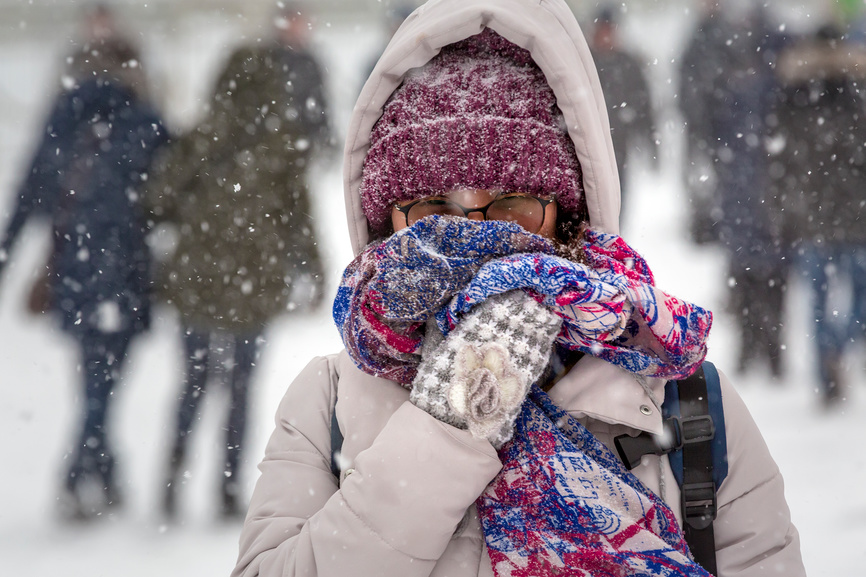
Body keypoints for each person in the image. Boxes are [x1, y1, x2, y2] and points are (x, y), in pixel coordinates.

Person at [232, 1, 805, 575]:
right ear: (386, 225)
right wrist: (448, 426)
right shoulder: (329, 402)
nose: (477, 240)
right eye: (434, 210)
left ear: (569, 219)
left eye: (513, 208)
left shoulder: (683, 400)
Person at [145, 2, 333, 520]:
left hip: (198, 280)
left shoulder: (203, 137)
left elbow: (158, 198)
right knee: (242, 389)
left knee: (193, 383)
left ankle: (170, 480)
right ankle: (226, 489)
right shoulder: (281, 146)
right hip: (255, 278)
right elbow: (302, 218)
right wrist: (314, 272)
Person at [0, 38, 166, 519]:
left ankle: (104, 473)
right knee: (105, 380)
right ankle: (78, 477)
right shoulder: (144, 121)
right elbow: (175, 191)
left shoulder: (65, 119)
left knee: (95, 379)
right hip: (127, 272)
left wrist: (6, 255)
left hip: (75, 270)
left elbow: (31, 192)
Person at [769, 23, 866, 408]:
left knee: (817, 299)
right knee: (858, 295)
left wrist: (780, 209)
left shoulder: (792, 94)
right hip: (856, 215)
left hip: (811, 216)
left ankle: (826, 371)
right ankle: (838, 347)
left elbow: (779, 161)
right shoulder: (855, 93)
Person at [588, 6, 658, 218]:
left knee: (617, 200)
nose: (606, 36)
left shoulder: (628, 64)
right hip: (589, 146)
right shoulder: (586, 60)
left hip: (619, 145)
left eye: (610, 30)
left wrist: (651, 144)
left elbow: (644, 106)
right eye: (603, 30)